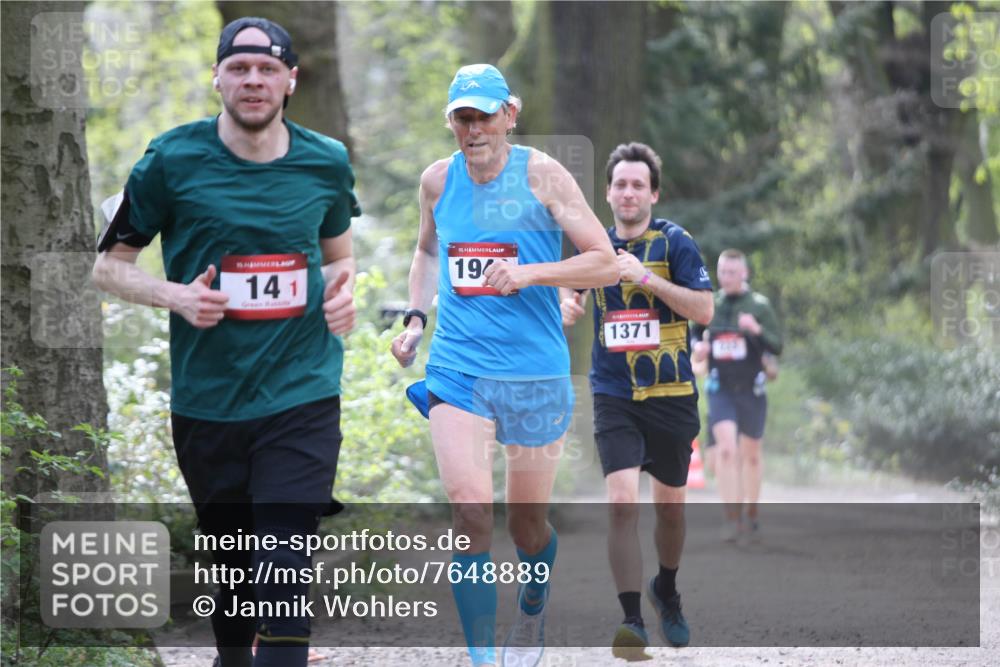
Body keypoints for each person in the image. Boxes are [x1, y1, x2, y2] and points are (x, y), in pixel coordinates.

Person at [91, 17, 359, 667]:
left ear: (291, 80)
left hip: (302, 391)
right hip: (209, 398)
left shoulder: (325, 161)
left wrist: (342, 293)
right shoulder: (169, 160)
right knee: (236, 565)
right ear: (216, 77)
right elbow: (108, 266)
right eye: (239, 68)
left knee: (283, 558)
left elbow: (337, 257)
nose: (253, 80)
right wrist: (177, 295)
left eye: (268, 69)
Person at [390, 64, 617, 667]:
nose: (474, 129)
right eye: (462, 118)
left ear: (509, 115)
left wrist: (531, 273)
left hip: (534, 373)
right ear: (451, 123)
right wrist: (416, 316)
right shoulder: (437, 182)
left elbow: (605, 262)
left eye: (484, 115)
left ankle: (534, 601)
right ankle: (483, 658)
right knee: (469, 510)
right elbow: (425, 251)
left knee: (525, 530)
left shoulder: (543, 175)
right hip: (458, 369)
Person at [560, 142, 713, 658]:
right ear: (607, 193)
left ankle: (665, 589)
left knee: (670, 510)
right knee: (622, 503)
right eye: (620, 184)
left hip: (672, 394)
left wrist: (647, 278)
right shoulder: (592, 247)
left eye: (637, 185)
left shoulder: (675, 243)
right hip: (613, 393)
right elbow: (569, 293)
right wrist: (566, 306)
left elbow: (706, 310)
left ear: (653, 193)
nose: (628, 192)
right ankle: (631, 621)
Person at [692, 250, 783, 543]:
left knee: (751, 455)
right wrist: (699, 348)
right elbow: (694, 334)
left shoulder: (759, 305)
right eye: (723, 272)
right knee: (727, 451)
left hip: (752, 390)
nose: (727, 278)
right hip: (720, 389)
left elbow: (778, 344)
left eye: (733, 272)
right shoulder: (712, 303)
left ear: (744, 274)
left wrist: (755, 329)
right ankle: (731, 519)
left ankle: (751, 514)